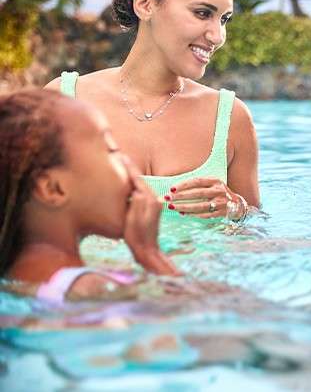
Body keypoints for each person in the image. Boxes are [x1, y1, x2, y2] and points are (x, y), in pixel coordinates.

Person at [46, 0, 259, 223]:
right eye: (202, 13)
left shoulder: (231, 118)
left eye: (224, 19)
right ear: (145, 5)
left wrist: (237, 208)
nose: (218, 36)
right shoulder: (64, 102)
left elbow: (256, 231)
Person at [0, 89, 179, 303]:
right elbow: (194, 311)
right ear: (53, 189)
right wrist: (150, 255)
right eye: (112, 150)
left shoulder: (14, 280)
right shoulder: (97, 290)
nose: (129, 163)